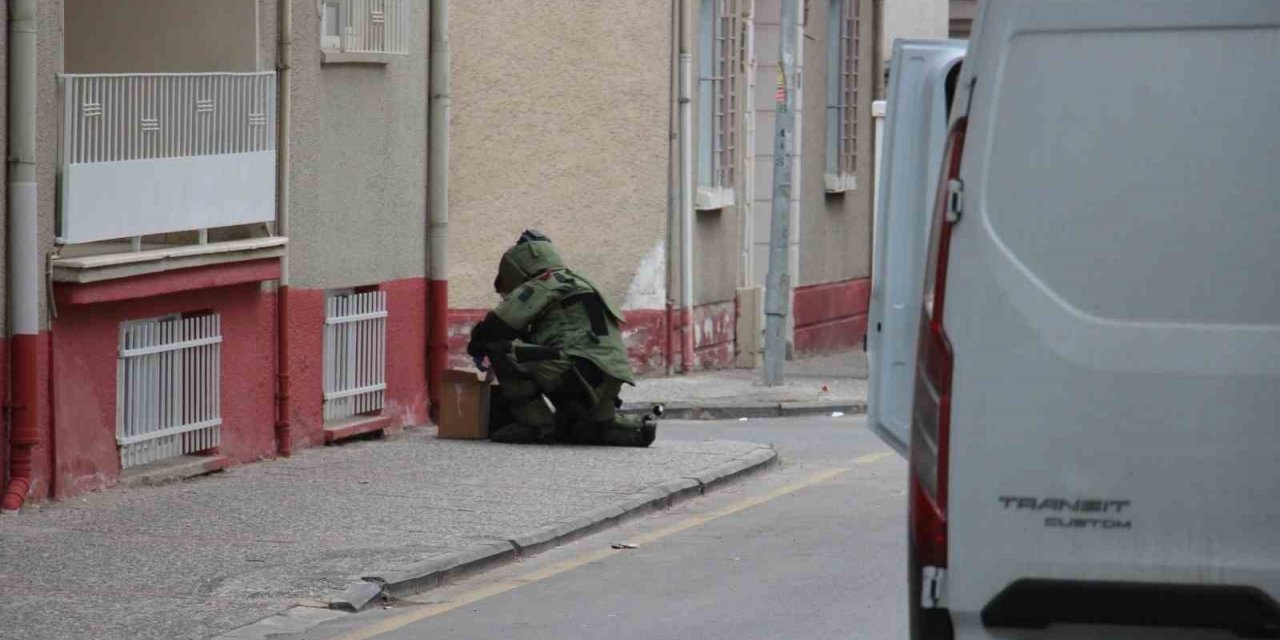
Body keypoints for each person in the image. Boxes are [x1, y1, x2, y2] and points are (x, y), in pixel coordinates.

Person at [466, 230, 657, 447]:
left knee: (499, 347)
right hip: (606, 377)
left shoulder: (545, 281)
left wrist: (477, 346)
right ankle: (633, 429)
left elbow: (496, 327)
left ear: (518, 266)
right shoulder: (577, 282)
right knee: (589, 430)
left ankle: (535, 426)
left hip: (576, 371)